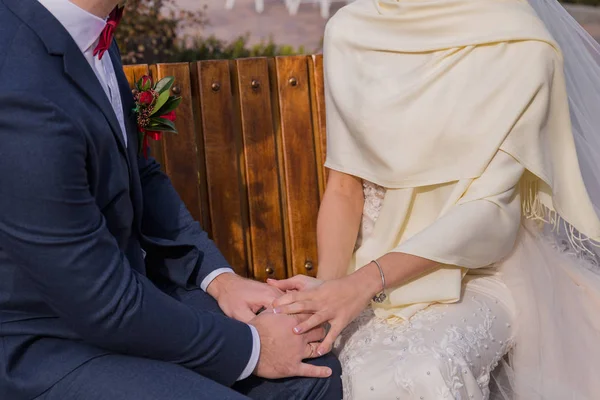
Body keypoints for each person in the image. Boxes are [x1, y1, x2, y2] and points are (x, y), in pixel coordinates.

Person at [0, 0, 343, 399]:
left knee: (313, 371)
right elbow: (101, 304)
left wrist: (219, 278)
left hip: (125, 297)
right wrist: (255, 346)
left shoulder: (91, 31)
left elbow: (138, 172)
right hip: (41, 342)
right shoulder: (18, 85)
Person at [268, 0, 600, 398]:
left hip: (482, 274)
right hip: (364, 278)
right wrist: (327, 289)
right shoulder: (352, 29)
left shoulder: (524, 44)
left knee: (423, 368)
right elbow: (343, 187)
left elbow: (490, 214)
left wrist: (361, 284)